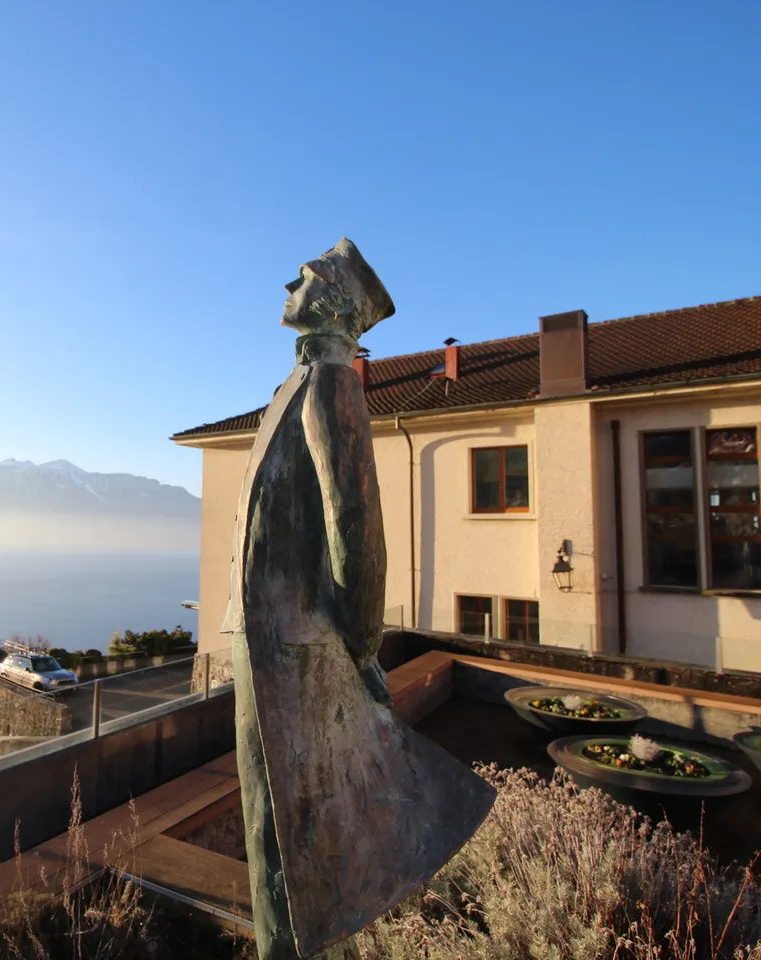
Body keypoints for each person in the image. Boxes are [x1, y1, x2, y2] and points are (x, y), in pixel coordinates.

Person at [223, 239, 493, 959]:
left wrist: (361, 643)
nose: (290, 281)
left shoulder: (334, 383)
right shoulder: (299, 384)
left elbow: (355, 523)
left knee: (293, 823)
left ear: (337, 299)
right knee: (271, 821)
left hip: (297, 644)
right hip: (267, 638)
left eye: (306, 276)